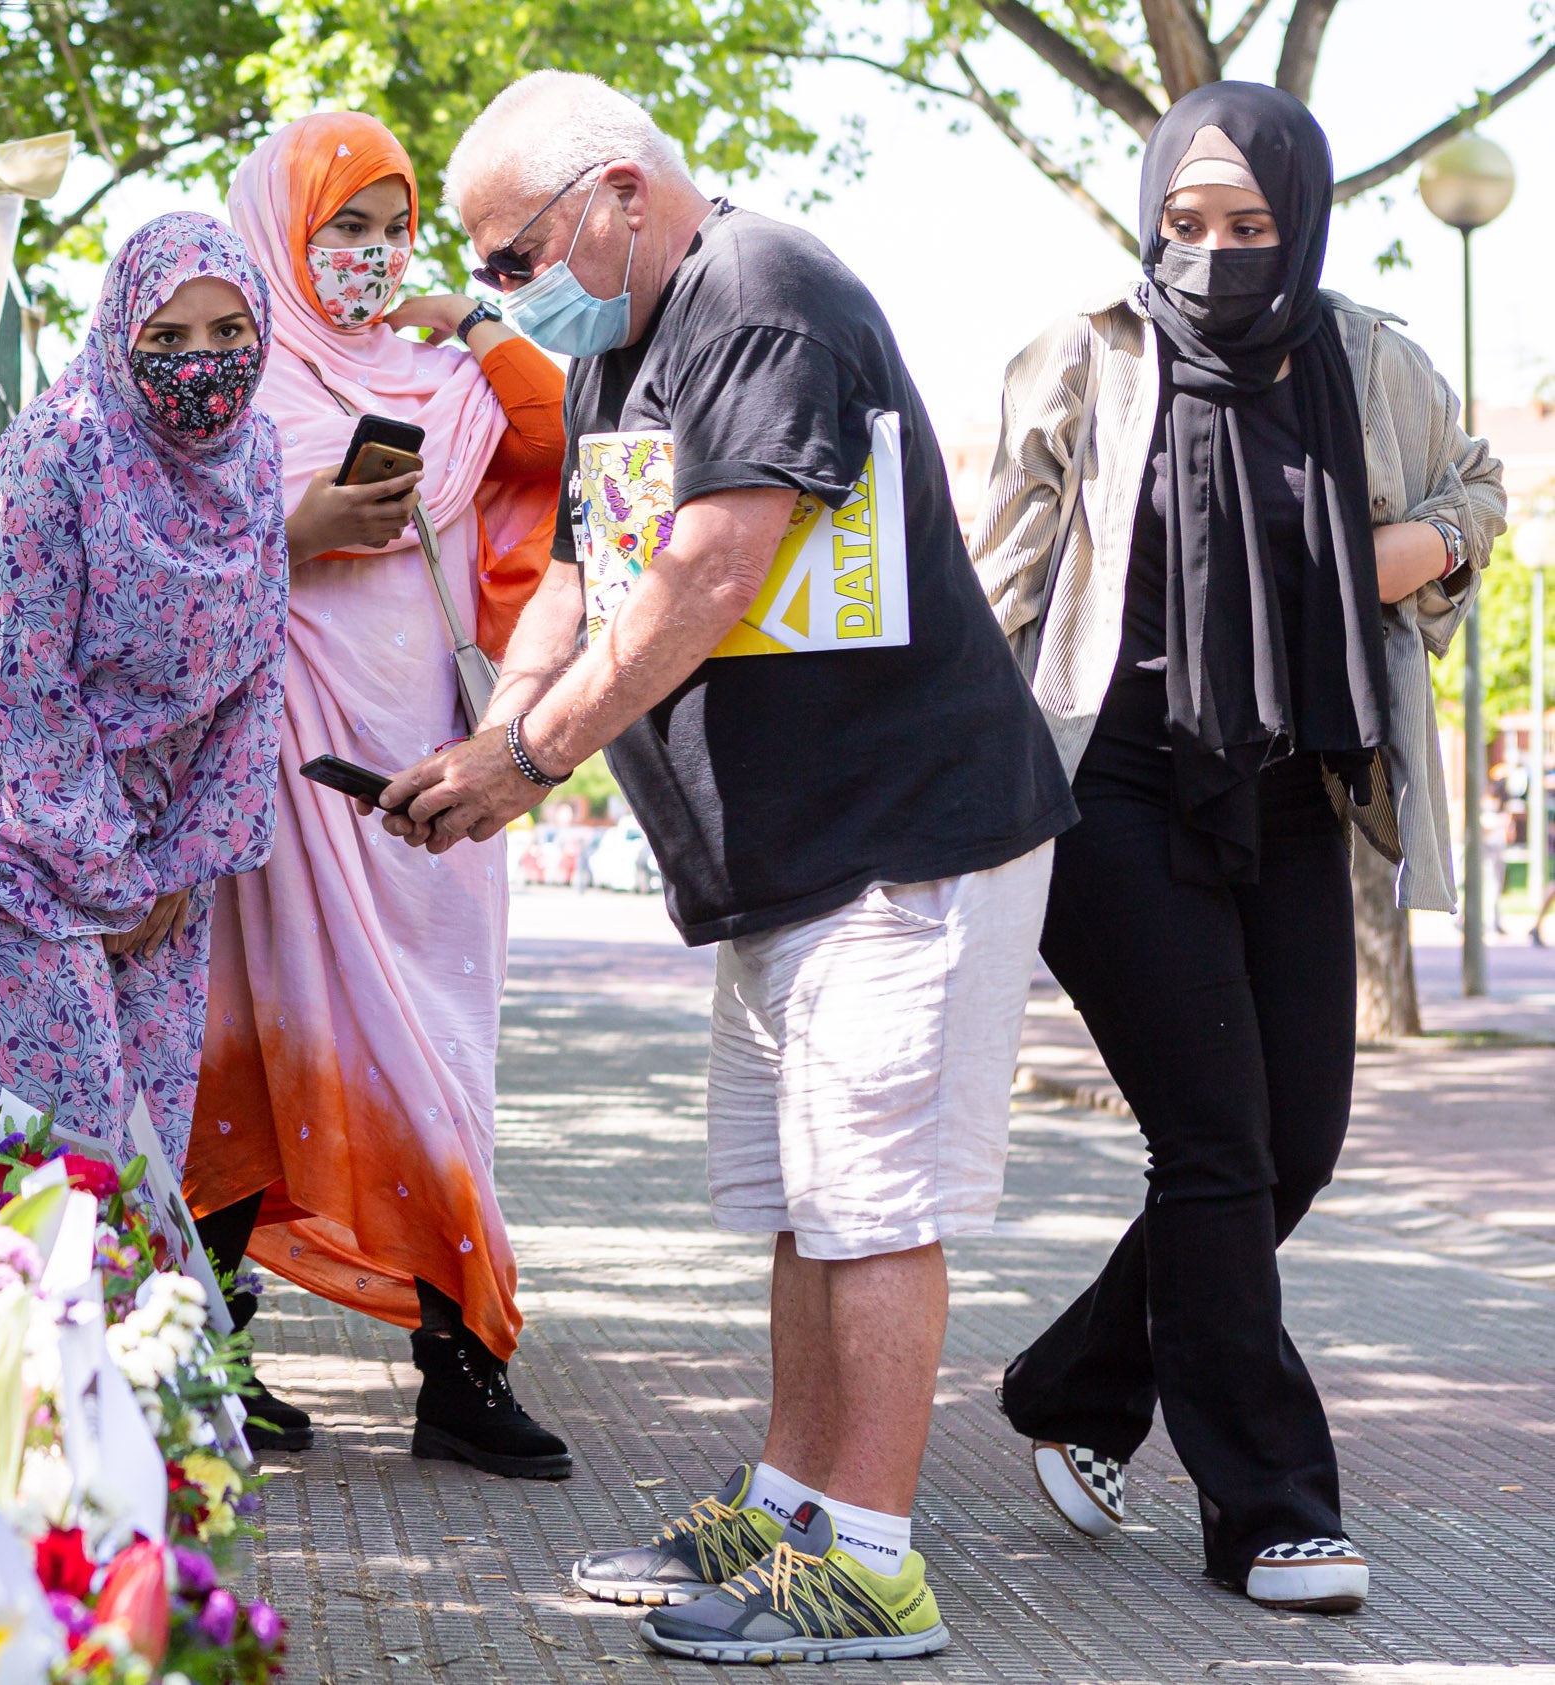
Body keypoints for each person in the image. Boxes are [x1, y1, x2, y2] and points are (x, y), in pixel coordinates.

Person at [380, 71, 1075, 1662]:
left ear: (618, 191)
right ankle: (791, 1510)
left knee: (870, 1208)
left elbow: (704, 572)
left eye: (512, 256)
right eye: (489, 269)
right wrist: (496, 728)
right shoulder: (629, 344)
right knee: (800, 1201)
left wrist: (531, 761)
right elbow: (583, 568)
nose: (503, 293)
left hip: (903, 838)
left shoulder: (759, 297)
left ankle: (872, 1563)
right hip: (788, 859)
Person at [975, 82, 1502, 1616]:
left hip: (1293, 790)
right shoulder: (1083, 358)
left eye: (1250, 226)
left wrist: (1393, 555)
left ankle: (1079, 1383)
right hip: (1110, 791)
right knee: (1212, 1144)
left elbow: (1473, 494)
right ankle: (1268, 1506)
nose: (1211, 253)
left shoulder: (1370, 363)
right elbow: (991, 588)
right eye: (1184, 224)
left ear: (1303, 218)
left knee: (1295, 1148)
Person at [183, 111, 571, 1478]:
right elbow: (144, 545)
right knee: (263, 1033)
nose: (368, 250)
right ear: (278, 228)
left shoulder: (434, 377)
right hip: (281, 762)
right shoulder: (217, 374)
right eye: (341, 223)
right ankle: (221, 1354)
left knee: (435, 1049)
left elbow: (551, 426)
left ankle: (450, 1373)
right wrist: (294, 534)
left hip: (432, 775)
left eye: (389, 225)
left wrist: (462, 315)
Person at [0, 212, 291, 1167]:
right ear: (118, 336)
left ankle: (132, 1321)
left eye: (229, 335)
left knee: (142, 1155)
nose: (202, 363)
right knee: (55, 1143)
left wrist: (180, 863)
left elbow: (258, 668)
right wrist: (108, 873)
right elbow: (27, 686)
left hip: (159, 853)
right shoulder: (56, 453)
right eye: (167, 339)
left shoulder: (256, 460)